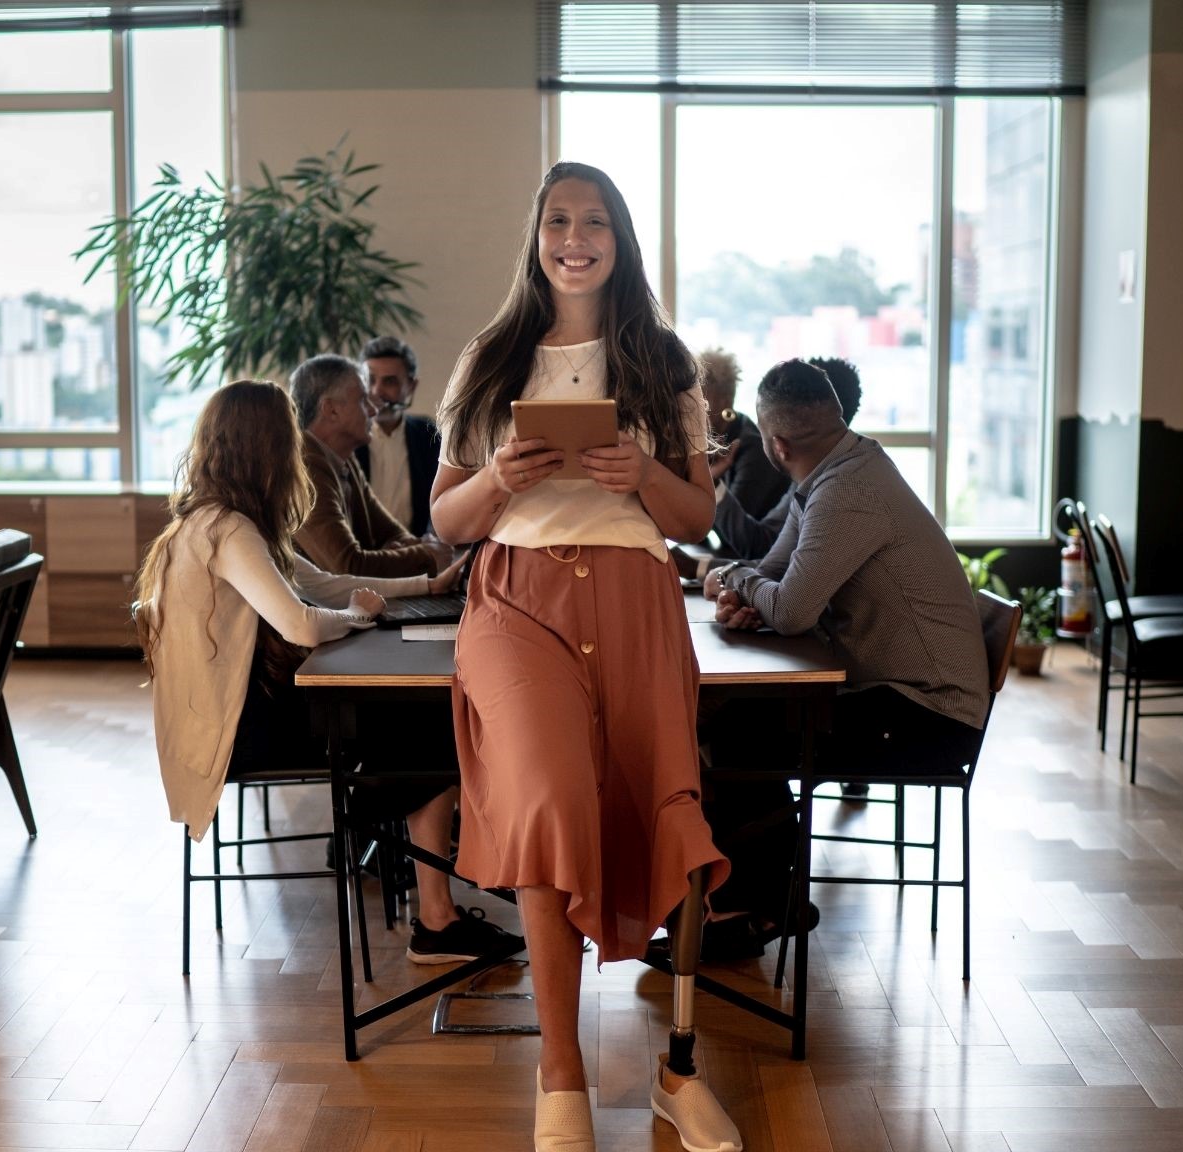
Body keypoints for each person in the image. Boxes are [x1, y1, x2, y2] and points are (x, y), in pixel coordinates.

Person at [431, 161, 741, 1152]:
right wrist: (496, 481)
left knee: (670, 809)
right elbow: (443, 518)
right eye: (558, 220)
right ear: (536, 235)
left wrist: (642, 472)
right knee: (552, 800)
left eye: (594, 220)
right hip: (516, 599)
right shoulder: (491, 356)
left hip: (637, 592)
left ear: (621, 236)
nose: (575, 237)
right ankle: (558, 1074)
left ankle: (678, 1071)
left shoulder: (661, 358)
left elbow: (700, 518)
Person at [136, 381, 517, 967]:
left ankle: (413, 871)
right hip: (237, 736)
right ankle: (431, 911)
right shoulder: (227, 530)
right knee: (433, 730)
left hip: (230, 718)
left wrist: (424, 587)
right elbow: (305, 625)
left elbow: (323, 584)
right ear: (265, 448)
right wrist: (357, 616)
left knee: (420, 726)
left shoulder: (224, 521)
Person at [704, 358, 990, 793]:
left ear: (777, 446)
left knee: (738, 730)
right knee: (738, 718)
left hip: (929, 718)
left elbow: (790, 612)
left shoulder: (847, 489)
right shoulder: (837, 471)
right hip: (899, 697)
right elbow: (772, 574)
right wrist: (744, 594)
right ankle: (768, 856)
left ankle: (765, 860)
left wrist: (735, 580)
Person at [291, 353, 453, 578]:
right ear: (331, 410)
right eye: (363, 400)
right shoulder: (303, 467)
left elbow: (391, 533)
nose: (374, 410)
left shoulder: (344, 457)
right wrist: (427, 557)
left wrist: (407, 550)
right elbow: (348, 567)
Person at [710, 356, 861, 562]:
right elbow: (772, 561)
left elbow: (764, 555)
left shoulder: (834, 489)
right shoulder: (827, 470)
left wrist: (704, 569)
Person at [699, 348, 789, 549]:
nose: (692, 408)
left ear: (725, 401)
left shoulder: (754, 449)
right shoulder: (711, 440)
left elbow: (733, 536)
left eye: (701, 400)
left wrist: (705, 480)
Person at [356, 336, 442, 537]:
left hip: (415, 555)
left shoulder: (428, 436)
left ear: (411, 386)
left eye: (390, 381)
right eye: (369, 380)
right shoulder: (344, 439)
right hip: (357, 560)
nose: (376, 391)